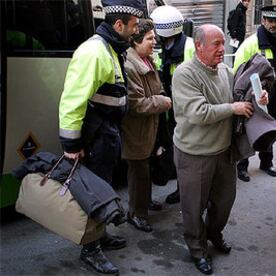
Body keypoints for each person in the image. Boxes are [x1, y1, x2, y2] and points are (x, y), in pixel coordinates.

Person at [171, 24, 268, 274]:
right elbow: (198, 112)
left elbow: (240, 97)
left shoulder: (225, 70)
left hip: (224, 152)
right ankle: (197, 249)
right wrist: (232, 108)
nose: (222, 49)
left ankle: (214, 234)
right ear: (198, 46)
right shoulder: (185, 74)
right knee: (194, 207)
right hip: (194, 154)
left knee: (224, 202)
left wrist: (258, 98)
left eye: (223, 43)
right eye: (216, 44)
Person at [58, 0, 144, 273]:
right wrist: (71, 145)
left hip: (106, 134)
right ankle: (90, 250)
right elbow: (73, 101)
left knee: (103, 190)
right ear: (118, 25)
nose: (136, 32)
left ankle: (100, 235)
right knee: (93, 196)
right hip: (95, 137)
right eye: (133, 27)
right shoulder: (94, 51)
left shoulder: (110, 47)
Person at [121, 19, 172, 233]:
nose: (155, 41)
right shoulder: (130, 65)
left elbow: (155, 90)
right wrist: (165, 102)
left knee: (146, 171)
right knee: (138, 173)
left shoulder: (147, 59)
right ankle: (136, 214)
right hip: (137, 130)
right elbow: (136, 104)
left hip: (151, 126)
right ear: (136, 40)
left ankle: (145, 202)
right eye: (150, 38)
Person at [233, 5, 276, 182]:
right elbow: (238, 71)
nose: (273, 24)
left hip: (275, 93)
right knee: (249, 127)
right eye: (270, 21)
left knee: (269, 127)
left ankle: (266, 162)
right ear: (263, 21)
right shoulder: (251, 43)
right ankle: (242, 166)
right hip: (254, 95)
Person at [150, 5, 195, 205]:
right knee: (176, 151)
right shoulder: (162, 49)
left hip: (188, 112)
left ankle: (186, 191)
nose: (153, 36)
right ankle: (180, 185)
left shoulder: (190, 47)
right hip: (171, 112)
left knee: (188, 154)